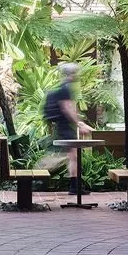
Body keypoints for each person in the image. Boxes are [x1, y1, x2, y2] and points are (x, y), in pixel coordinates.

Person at [42, 62, 91, 193]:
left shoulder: (63, 87)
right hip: (64, 126)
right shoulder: (66, 89)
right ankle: (74, 186)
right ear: (71, 74)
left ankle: (74, 186)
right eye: (75, 73)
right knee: (72, 156)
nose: (76, 75)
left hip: (61, 125)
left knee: (72, 156)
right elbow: (67, 108)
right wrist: (80, 124)